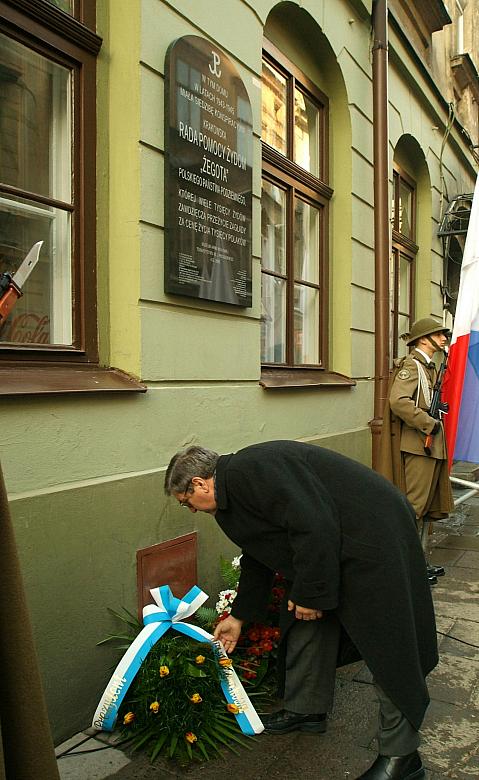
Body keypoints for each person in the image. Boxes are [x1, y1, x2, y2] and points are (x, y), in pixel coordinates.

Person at [165, 440, 438, 780]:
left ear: (199, 483)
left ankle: (402, 758)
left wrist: (311, 595)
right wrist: (238, 617)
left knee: (388, 645)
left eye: (187, 503)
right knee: (302, 619)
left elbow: (315, 525)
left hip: (374, 538)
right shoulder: (230, 492)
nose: (192, 510)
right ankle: (306, 710)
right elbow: (258, 556)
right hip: (335, 542)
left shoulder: (251, 470)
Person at [378, 317, 454, 585]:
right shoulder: (412, 366)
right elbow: (398, 402)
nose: (444, 338)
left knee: (425, 509)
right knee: (413, 508)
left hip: (430, 446)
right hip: (418, 446)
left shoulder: (429, 367)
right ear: (424, 339)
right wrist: (428, 423)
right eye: (439, 334)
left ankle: (418, 562)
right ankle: (405, 566)